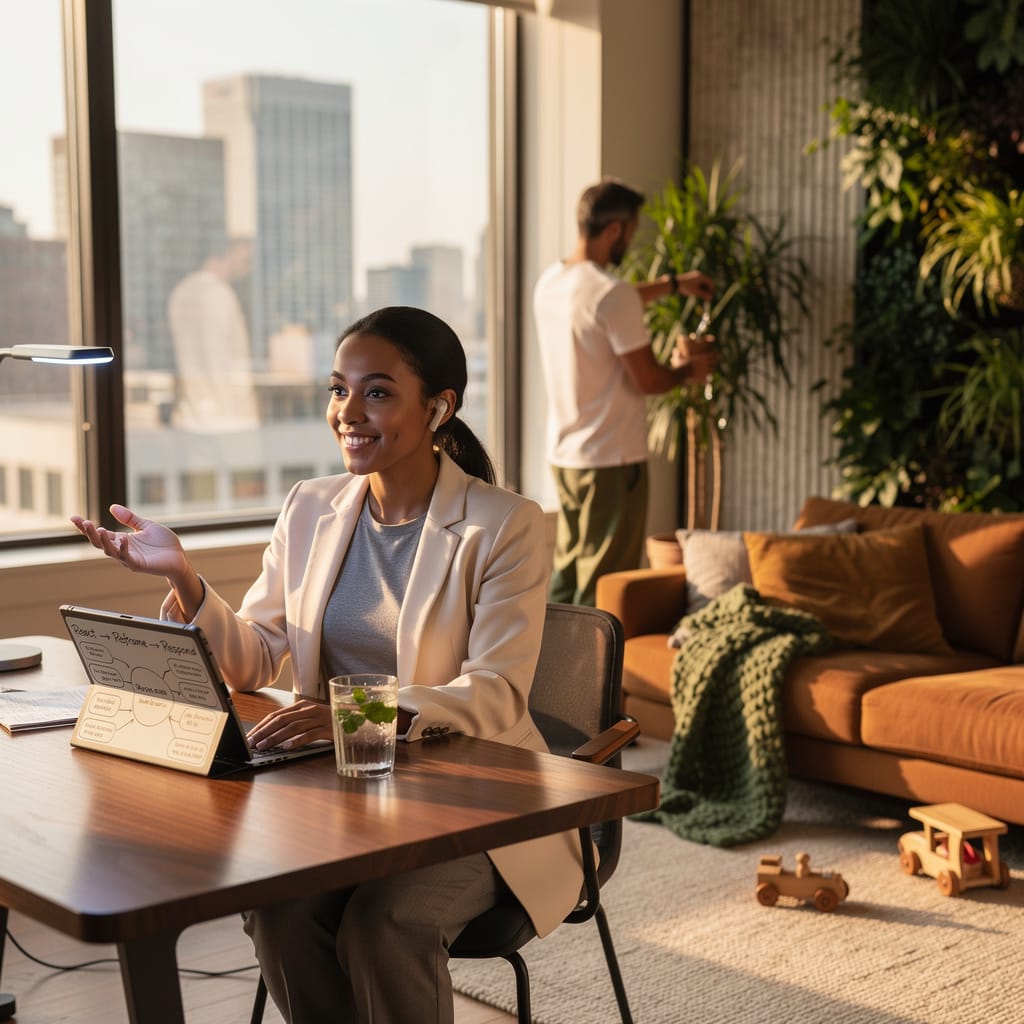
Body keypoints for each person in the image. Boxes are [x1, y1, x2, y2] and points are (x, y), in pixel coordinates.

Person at [70, 305, 584, 1024]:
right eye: (339, 388)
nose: (348, 411)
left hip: (478, 803)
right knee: (278, 910)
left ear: (439, 407)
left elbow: (497, 693)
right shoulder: (310, 506)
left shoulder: (506, 525)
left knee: (385, 921)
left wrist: (355, 712)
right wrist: (185, 579)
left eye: (377, 391)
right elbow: (252, 658)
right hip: (346, 807)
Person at [534, 177, 717, 606]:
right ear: (615, 229)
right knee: (603, 585)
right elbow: (649, 380)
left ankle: (544, 668)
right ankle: (586, 674)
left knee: (566, 573)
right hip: (611, 460)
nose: (630, 243)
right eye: (631, 232)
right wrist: (689, 370)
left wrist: (675, 284)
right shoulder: (611, 295)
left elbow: (610, 303)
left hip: (565, 456)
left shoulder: (554, 282)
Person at [167, 238, 259, 429]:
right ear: (222, 255)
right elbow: (218, 355)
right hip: (225, 414)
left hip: (193, 410)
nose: (246, 270)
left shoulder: (181, 292)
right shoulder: (219, 294)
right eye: (244, 261)